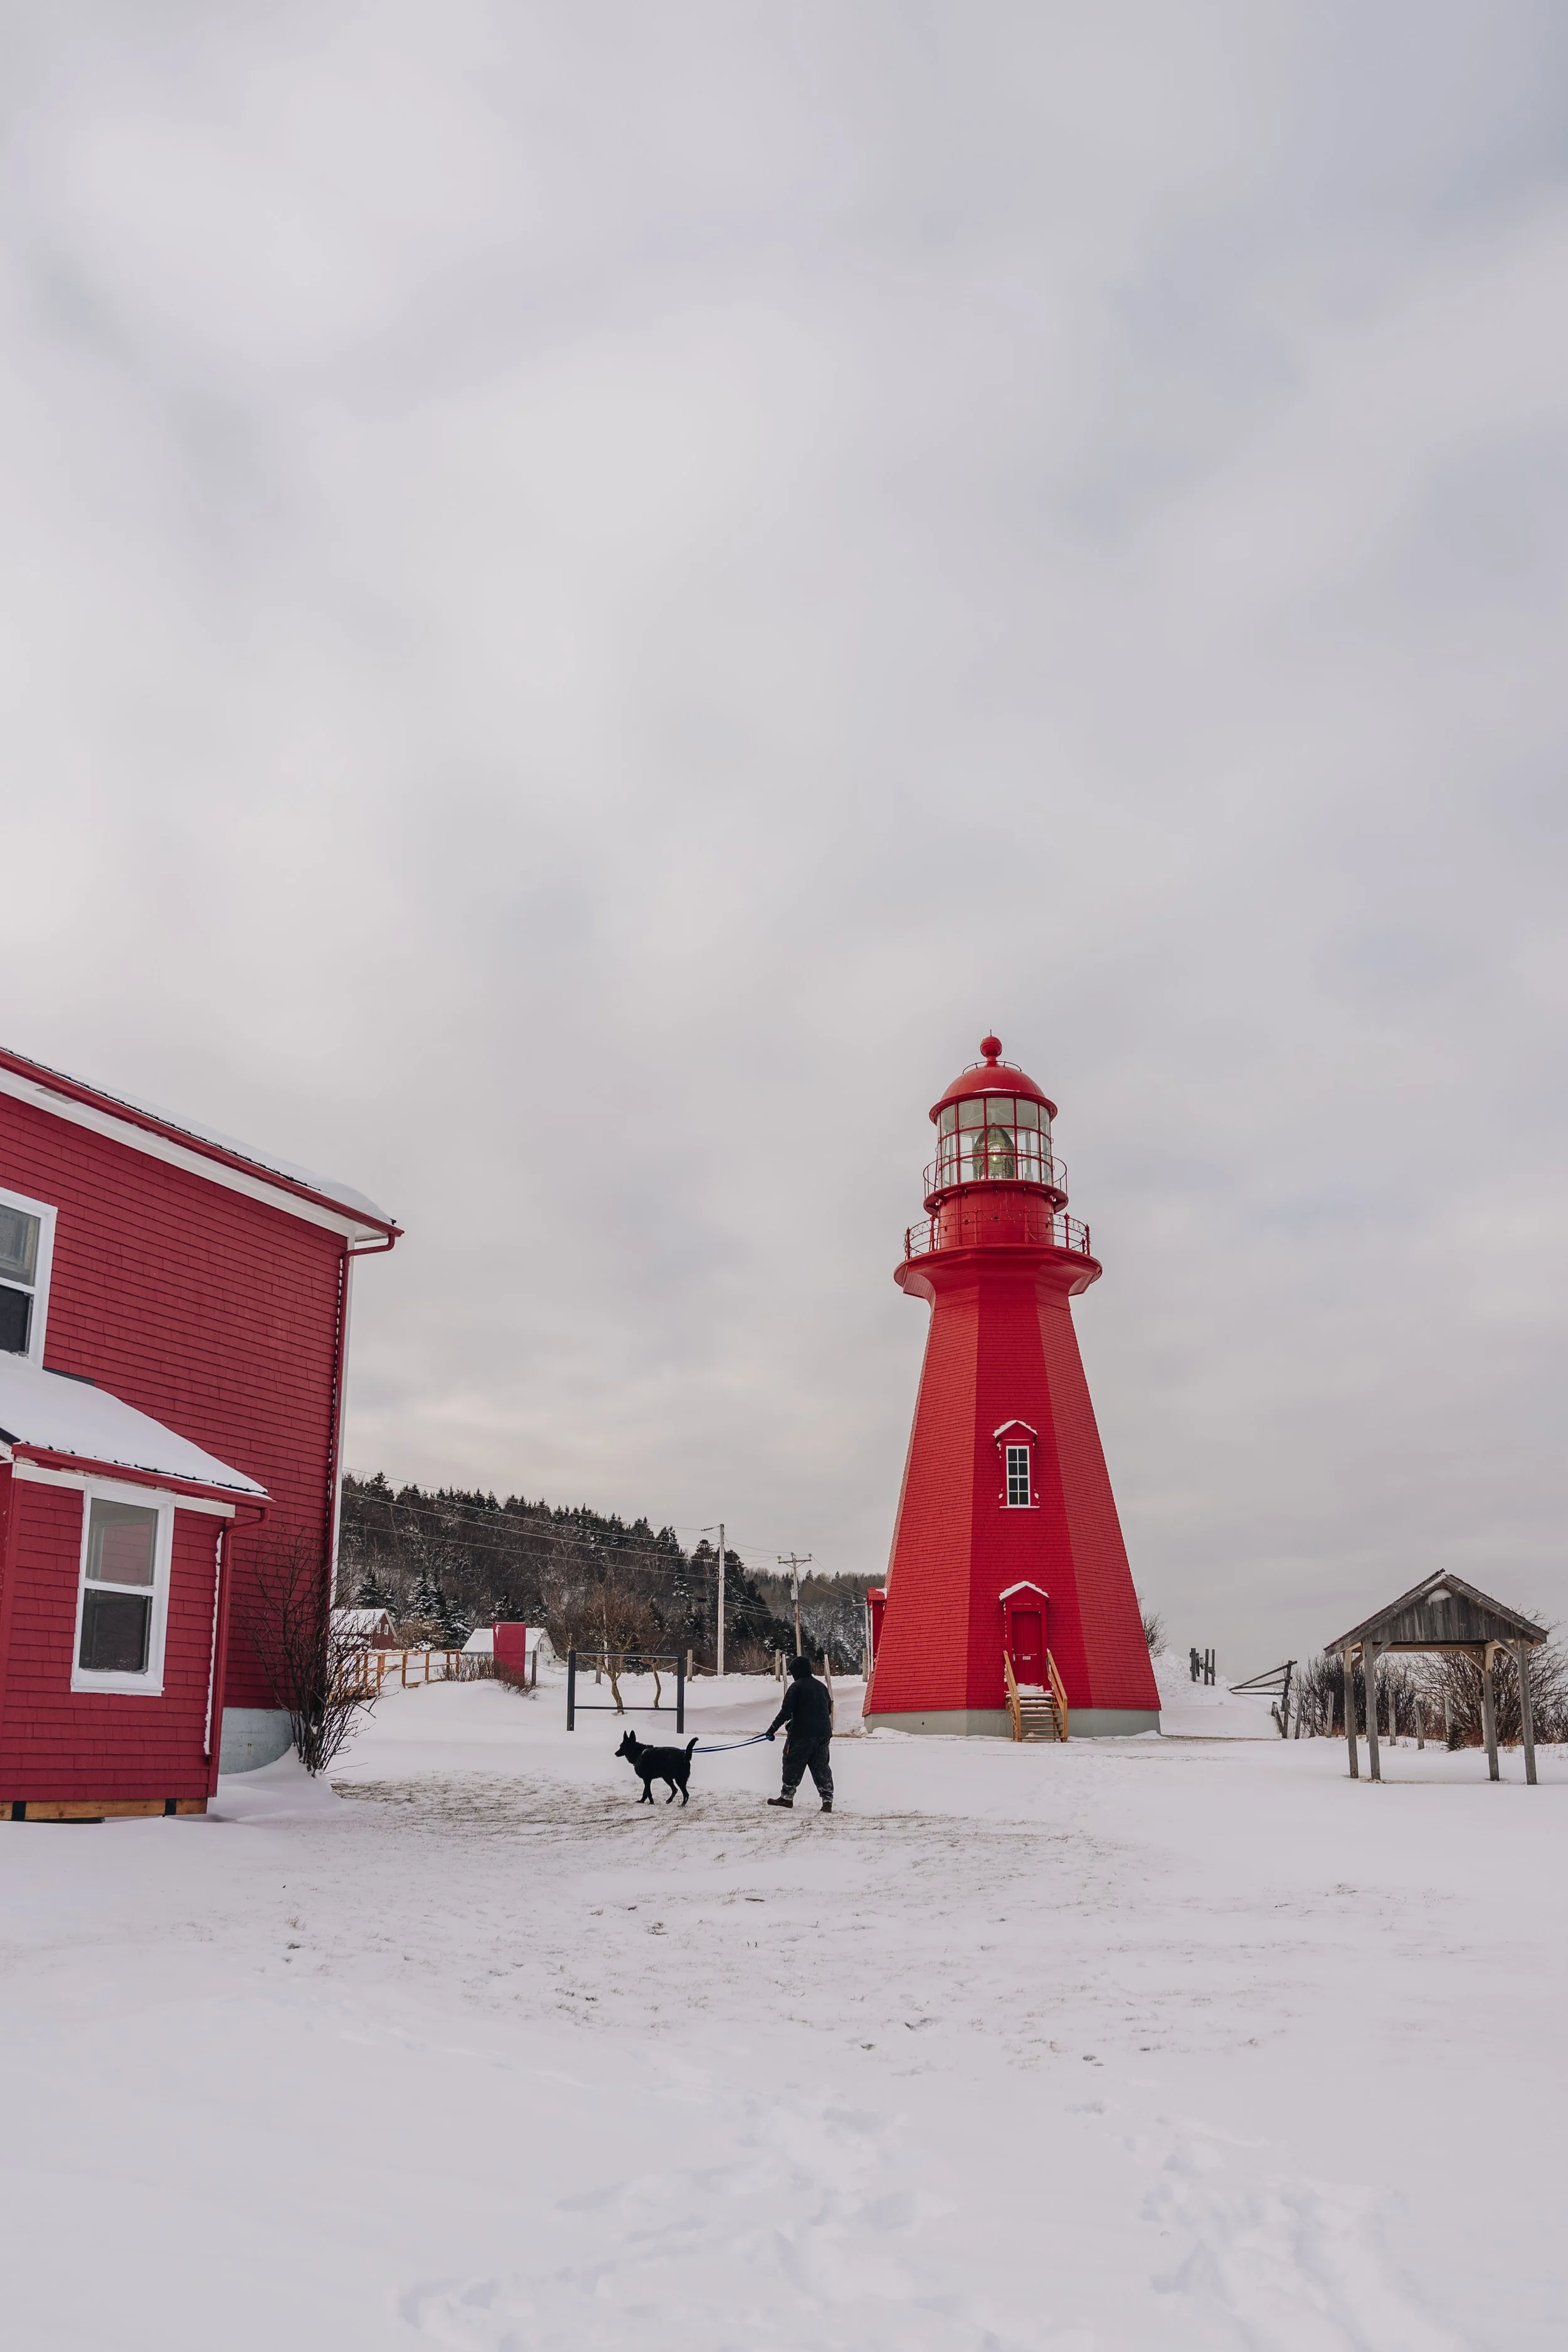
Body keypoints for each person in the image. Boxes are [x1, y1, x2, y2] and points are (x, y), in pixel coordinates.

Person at [765, 1655, 834, 1811]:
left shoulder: (796, 1687)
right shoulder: (821, 1687)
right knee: (821, 1767)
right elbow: (828, 1709)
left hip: (801, 1734)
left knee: (791, 1762)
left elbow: (786, 1712)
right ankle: (827, 1800)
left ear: (796, 1671)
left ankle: (787, 1797)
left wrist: (772, 1730)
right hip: (823, 1734)